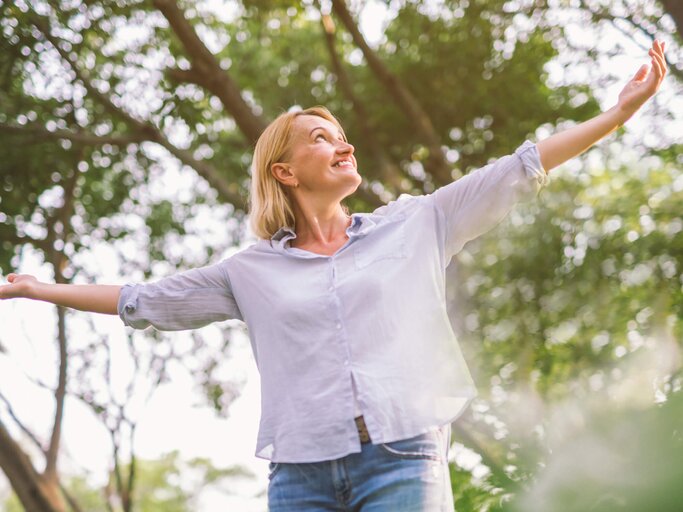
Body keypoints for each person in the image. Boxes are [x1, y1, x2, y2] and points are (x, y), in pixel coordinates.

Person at [0, 40, 667, 511]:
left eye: (339, 134)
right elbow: (142, 300)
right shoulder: (249, 272)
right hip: (299, 477)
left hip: (402, 458)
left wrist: (616, 115)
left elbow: (519, 166)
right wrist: (35, 290)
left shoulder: (415, 224)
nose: (340, 143)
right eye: (320, 138)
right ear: (284, 172)